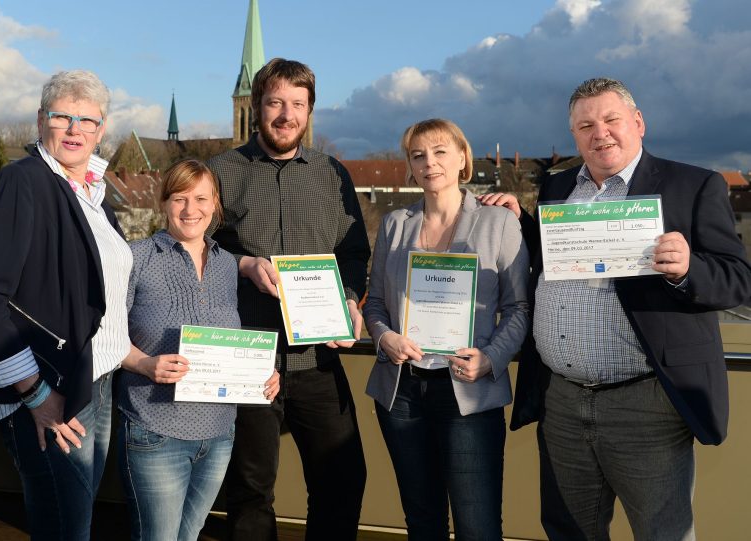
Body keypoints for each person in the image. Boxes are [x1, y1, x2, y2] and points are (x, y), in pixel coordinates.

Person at [483, 78, 751, 540]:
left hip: (645, 402)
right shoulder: (557, 186)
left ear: (638, 123)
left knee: (661, 533)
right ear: (574, 135)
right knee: (570, 530)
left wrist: (688, 269)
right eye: (585, 125)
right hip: (562, 399)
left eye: (611, 120)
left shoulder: (692, 185)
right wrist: (521, 221)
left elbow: (738, 279)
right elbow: (556, 259)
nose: (599, 132)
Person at [0, 70, 131, 539]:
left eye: (88, 121)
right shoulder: (23, 182)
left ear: (102, 129)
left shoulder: (95, 194)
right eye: (63, 116)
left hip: (95, 382)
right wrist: (35, 393)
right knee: (64, 526)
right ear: (41, 121)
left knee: (75, 520)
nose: (75, 129)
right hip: (51, 386)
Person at [208, 58, 370, 541]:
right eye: (275, 102)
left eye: (297, 104)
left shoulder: (331, 174)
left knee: (343, 478)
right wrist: (242, 264)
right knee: (250, 491)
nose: (286, 114)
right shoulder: (221, 171)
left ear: (309, 111)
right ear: (257, 106)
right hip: (248, 357)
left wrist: (350, 301)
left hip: (317, 359)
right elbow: (195, 247)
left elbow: (354, 252)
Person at [363, 119, 529, 540]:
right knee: (422, 522)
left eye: (439, 151)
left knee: (478, 526)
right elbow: (376, 303)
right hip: (402, 393)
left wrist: (491, 357)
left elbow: (518, 307)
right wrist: (384, 337)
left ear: (462, 159)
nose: (429, 162)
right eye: (418, 155)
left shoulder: (499, 222)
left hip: (468, 393)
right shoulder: (395, 224)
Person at [117, 159, 280, 541]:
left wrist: (262, 374)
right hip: (155, 431)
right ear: (164, 203)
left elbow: (228, 339)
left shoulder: (226, 265)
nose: (190, 209)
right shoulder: (135, 257)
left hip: (219, 435)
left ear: (216, 204)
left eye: (201, 198)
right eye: (179, 198)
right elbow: (104, 335)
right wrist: (142, 363)